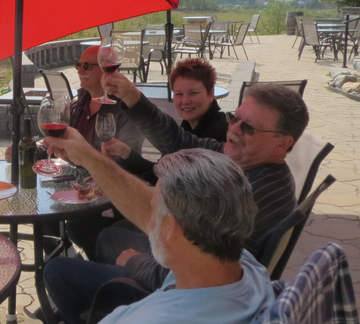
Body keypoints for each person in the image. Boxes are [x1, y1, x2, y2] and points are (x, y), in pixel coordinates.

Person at [43, 75, 308, 323]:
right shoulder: (240, 164)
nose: (234, 130)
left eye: (248, 127)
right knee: (108, 238)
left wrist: (135, 262)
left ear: (283, 144)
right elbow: (179, 141)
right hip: (206, 282)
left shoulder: (250, 192)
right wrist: (133, 98)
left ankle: (94, 301)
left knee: (56, 271)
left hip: (171, 286)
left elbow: (199, 273)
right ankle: (95, 294)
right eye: (233, 118)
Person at [45, 132, 274, 324]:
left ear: (171, 228)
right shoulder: (246, 266)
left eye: (155, 210)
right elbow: (146, 207)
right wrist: (87, 155)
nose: (148, 217)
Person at [6, 45, 145, 258]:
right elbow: (54, 142)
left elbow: (128, 160)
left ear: (109, 71)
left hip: (108, 193)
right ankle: (67, 258)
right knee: (38, 209)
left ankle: (80, 268)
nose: (80, 71)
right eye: (78, 65)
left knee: (76, 225)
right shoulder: (77, 105)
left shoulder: (123, 110)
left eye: (87, 66)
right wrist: (26, 151)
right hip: (75, 186)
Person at [170, 57, 228, 142]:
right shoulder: (187, 127)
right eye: (179, 94)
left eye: (193, 93)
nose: (185, 101)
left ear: (211, 94)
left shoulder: (219, 135)